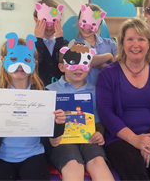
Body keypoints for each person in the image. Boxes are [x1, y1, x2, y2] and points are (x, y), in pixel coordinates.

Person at [0, 33, 65, 181]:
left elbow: (53, 133)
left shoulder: (42, 95)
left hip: (33, 155)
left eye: (26, 60)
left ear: (34, 63)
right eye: (14, 59)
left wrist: (59, 122)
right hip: (0, 157)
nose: (20, 65)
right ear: (4, 62)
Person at [96, 18, 150, 180]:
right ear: (122, 43)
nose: (136, 44)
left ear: (149, 43)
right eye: (130, 39)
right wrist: (135, 140)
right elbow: (106, 113)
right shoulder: (108, 73)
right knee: (135, 172)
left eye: (141, 39)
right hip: (120, 137)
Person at [46, 42, 114, 180]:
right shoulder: (49, 91)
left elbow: (99, 120)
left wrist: (99, 133)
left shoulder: (96, 91)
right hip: (62, 141)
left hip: (88, 138)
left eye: (83, 63)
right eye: (72, 63)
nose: (78, 68)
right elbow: (44, 123)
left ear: (89, 67)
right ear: (61, 67)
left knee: (98, 162)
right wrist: (50, 137)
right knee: (73, 165)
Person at [77, 3, 117, 85]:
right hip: (86, 94)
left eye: (93, 24)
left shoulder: (110, 43)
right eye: (84, 21)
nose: (87, 27)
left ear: (99, 26)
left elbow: (119, 66)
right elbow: (87, 60)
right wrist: (109, 56)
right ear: (78, 20)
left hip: (109, 91)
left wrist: (100, 65)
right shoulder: (74, 47)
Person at [34, 0, 69, 86]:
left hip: (60, 89)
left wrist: (59, 40)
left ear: (59, 21)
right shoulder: (30, 44)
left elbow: (63, 64)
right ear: (36, 20)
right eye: (44, 20)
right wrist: (38, 40)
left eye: (54, 20)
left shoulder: (64, 43)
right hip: (38, 89)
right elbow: (36, 65)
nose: (49, 25)